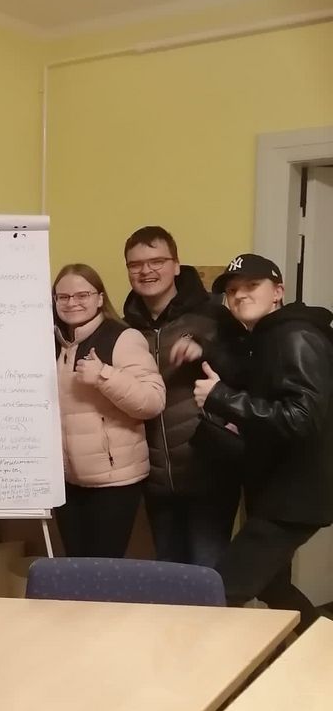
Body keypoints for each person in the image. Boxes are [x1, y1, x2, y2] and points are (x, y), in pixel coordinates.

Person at [194, 253, 333, 631]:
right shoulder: (268, 337)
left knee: (220, 591)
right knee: (274, 586)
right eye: (233, 290)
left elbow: (302, 418)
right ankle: (318, 649)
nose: (240, 295)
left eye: (252, 285)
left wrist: (220, 398)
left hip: (292, 497)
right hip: (278, 490)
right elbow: (269, 395)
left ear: (278, 292)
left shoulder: (296, 336)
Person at [122, 225, 240, 566]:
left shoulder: (214, 314)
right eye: (135, 264)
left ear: (176, 265)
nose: (146, 271)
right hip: (155, 477)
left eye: (157, 261)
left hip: (208, 472)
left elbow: (246, 369)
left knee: (207, 572)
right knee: (170, 575)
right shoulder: (126, 328)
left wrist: (206, 350)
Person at [52, 263, 165, 558]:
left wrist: (104, 375)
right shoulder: (55, 343)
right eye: (63, 297)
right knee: (76, 565)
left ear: (100, 298)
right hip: (67, 481)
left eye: (82, 295)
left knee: (103, 569)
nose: (72, 303)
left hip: (114, 480)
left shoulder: (122, 337)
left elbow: (152, 401)